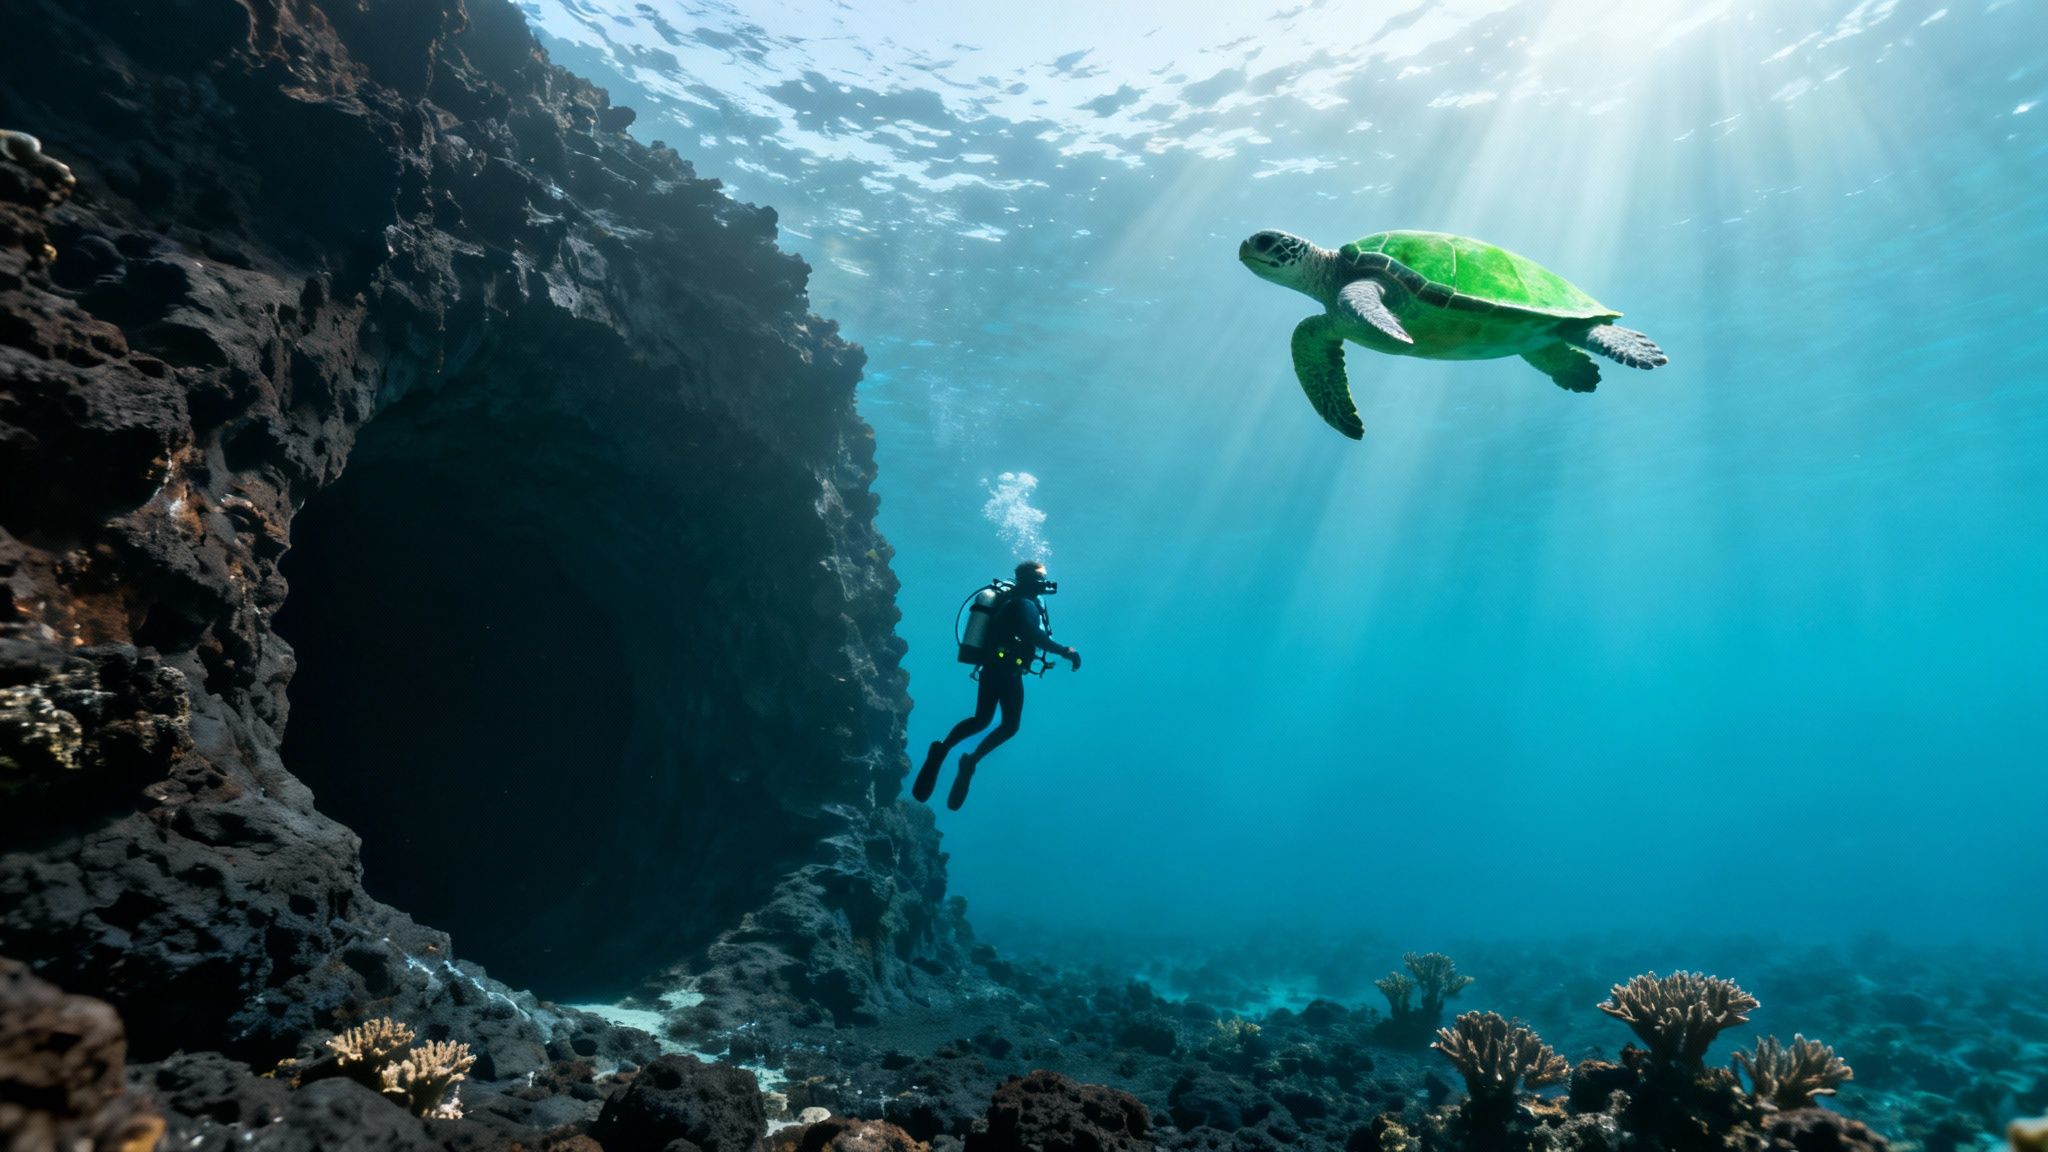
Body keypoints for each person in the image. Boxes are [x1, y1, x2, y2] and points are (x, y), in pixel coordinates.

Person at [914, 560, 1080, 811]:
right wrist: (1065, 651)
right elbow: (1033, 635)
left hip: (993, 667)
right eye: (1041, 577)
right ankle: (970, 761)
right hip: (1007, 671)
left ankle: (942, 750)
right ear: (1028, 581)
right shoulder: (1024, 603)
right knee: (1010, 725)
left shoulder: (1016, 601)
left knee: (981, 719)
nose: (1045, 582)